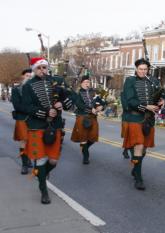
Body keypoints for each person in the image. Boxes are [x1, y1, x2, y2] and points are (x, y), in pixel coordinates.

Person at [22, 57, 73, 204]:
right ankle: (43, 191)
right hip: (37, 127)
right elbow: (26, 107)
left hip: (54, 126)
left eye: (44, 67)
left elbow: (69, 100)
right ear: (34, 69)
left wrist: (61, 104)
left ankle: (41, 174)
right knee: (41, 159)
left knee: (53, 160)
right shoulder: (28, 86)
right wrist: (45, 112)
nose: (42, 70)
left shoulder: (55, 82)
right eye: (39, 68)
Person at [122, 58, 165, 190]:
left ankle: (135, 168)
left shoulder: (153, 81)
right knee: (139, 147)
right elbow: (130, 100)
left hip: (149, 119)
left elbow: (162, 94)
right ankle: (138, 179)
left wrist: (163, 101)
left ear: (148, 70)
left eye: (145, 69)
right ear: (136, 69)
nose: (142, 71)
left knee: (144, 150)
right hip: (135, 118)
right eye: (140, 69)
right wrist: (146, 106)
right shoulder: (130, 81)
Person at [71, 75, 105, 164]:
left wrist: (101, 106)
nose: (87, 84)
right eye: (85, 82)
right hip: (82, 117)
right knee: (83, 138)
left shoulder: (93, 93)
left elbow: (101, 102)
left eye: (88, 82)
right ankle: (86, 157)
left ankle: (84, 147)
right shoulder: (78, 93)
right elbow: (79, 105)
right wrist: (90, 109)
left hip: (93, 118)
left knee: (93, 137)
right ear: (81, 83)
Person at [11, 68, 33, 174]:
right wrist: (31, 110)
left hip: (34, 118)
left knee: (32, 141)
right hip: (22, 118)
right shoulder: (16, 89)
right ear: (23, 77)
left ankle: (28, 158)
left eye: (30, 76)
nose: (29, 77)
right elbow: (16, 105)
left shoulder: (35, 89)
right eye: (27, 76)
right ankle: (24, 164)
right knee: (24, 141)